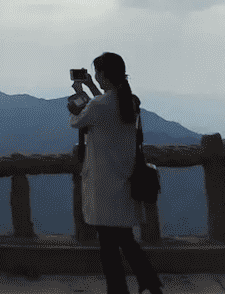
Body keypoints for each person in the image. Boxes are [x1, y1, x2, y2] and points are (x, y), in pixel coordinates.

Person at [68, 52, 164, 294]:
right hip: (124, 181)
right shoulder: (129, 102)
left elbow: (76, 121)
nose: (96, 76)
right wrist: (91, 87)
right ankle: (150, 282)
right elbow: (108, 104)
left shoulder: (99, 106)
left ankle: (122, 289)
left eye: (97, 73)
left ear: (103, 74)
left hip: (103, 185)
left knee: (109, 246)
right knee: (125, 239)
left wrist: (77, 98)